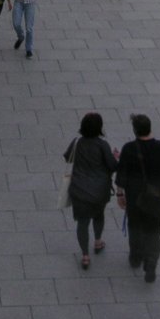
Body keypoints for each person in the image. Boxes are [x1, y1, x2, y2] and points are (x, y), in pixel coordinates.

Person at [115, 114, 160, 283]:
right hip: (155, 198)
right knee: (154, 231)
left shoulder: (128, 148)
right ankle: (151, 262)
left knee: (135, 227)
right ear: (150, 128)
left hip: (135, 198)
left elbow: (121, 175)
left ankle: (136, 257)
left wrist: (120, 194)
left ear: (134, 130)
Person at [64, 113, 119, 270]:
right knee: (98, 215)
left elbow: (68, 159)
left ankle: (85, 256)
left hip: (79, 190)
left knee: (82, 222)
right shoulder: (103, 145)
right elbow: (112, 166)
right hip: (99, 190)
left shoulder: (77, 143)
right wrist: (115, 157)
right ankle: (98, 241)